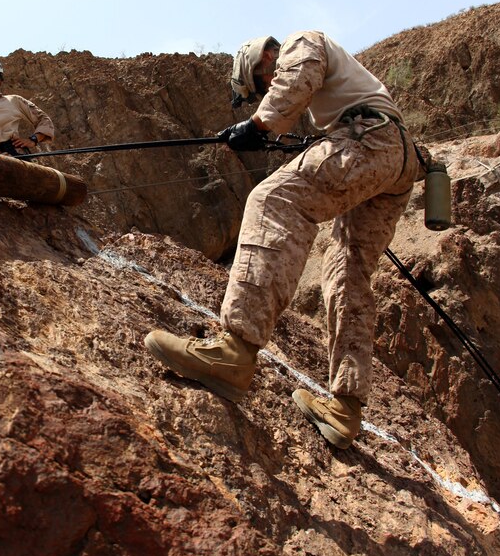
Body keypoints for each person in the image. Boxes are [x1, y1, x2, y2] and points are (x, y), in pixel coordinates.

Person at [144, 31, 422, 449]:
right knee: (348, 272)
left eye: (259, 85)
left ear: (263, 59)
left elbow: (299, 77)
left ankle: (235, 351)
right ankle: (346, 409)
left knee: (272, 200)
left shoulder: (301, 41)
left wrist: (259, 123)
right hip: (397, 157)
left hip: (370, 137)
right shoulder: (340, 92)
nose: (264, 91)